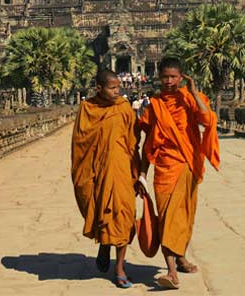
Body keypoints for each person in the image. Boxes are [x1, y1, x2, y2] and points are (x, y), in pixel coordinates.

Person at [136, 57, 220, 290]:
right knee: (167, 218)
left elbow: (207, 119)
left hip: (186, 164)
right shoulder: (154, 105)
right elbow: (147, 143)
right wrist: (142, 173)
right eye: (165, 77)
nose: (169, 81)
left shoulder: (189, 99)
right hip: (164, 167)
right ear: (158, 76)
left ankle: (179, 258)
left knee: (184, 216)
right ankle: (172, 272)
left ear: (181, 77)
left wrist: (193, 93)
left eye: (174, 77)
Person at [70, 70, 140, 289]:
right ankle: (104, 244)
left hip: (120, 169)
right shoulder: (87, 108)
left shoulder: (124, 107)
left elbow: (133, 141)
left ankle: (119, 268)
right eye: (112, 88)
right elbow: (79, 143)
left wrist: (136, 172)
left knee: (124, 215)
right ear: (98, 88)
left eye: (118, 87)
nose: (117, 91)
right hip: (95, 171)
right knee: (101, 212)